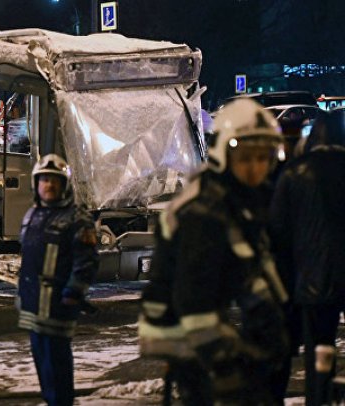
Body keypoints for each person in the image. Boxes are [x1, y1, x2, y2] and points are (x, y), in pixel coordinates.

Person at [139, 98, 289, 405]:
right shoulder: (205, 213)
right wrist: (224, 363)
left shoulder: (237, 197)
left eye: (263, 158)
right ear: (223, 155)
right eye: (246, 158)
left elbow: (248, 263)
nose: (255, 168)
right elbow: (193, 303)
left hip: (203, 325)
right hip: (186, 336)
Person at [270, 109, 345, 406]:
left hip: (313, 280)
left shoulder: (294, 173)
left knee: (319, 343)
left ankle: (318, 395)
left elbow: (279, 233)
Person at [17, 154, 98, 405]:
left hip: (57, 308)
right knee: (43, 367)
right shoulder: (32, 215)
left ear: (65, 185)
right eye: (44, 180)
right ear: (36, 184)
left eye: (54, 180)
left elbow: (86, 261)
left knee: (57, 370)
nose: (48, 185)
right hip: (33, 307)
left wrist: (73, 292)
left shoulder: (77, 219)